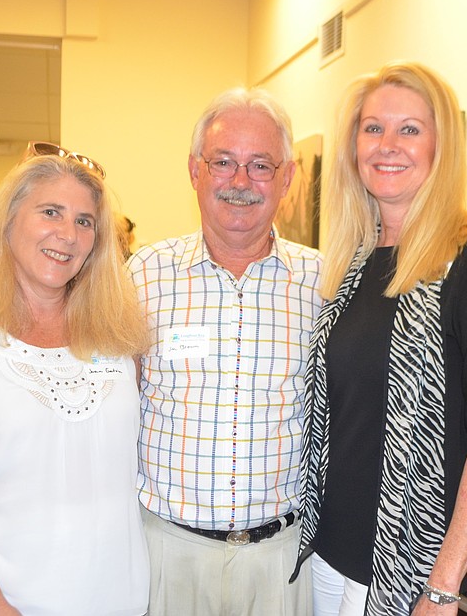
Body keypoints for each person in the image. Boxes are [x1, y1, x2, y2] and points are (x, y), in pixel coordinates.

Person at [292, 62, 467, 616]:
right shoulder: (353, 263)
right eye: (373, 128)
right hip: (324, 553)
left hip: (404, 569)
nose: (387, 145)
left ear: (441, 147)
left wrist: (444, 586)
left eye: (410, 129)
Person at [0, 151, 151, 615]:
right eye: (50, 212)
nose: (67, 234)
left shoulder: (118, 333)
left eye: (85, 221)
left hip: (114, 593)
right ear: (8, 218)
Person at [128, 87, 322, 615]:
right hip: (166, 553)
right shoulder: (142, 275)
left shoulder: (324, 283)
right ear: (195, 171)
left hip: (281, 559)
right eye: (223, 162)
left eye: (261, 165)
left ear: (287, 177)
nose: (240, 182)